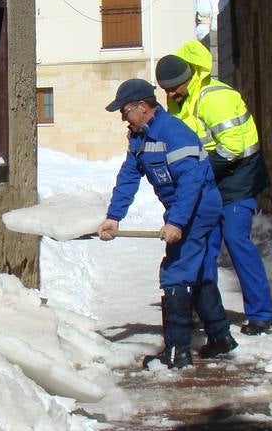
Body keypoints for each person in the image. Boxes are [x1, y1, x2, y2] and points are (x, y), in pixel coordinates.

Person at [97, 78, 237, 368]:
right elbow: (128, 177)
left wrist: (177, 222)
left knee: (175, 273)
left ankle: (177, 352)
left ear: (143, 107)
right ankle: (221, 337)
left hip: (198, 206)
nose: (122, 117)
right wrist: (114, 217)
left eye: (125, 110)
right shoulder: (139, 137)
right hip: (182, 208)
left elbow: (192, 181)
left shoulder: (173, 133)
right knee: (196, 273)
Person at [156, 40, 272, 335]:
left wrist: (197, 173)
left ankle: (261, 314)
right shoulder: (180, 100)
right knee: (204, 246)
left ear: (189, 78)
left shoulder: (214, 98)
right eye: (166, 90)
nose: (170, 94)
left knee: (236, 241)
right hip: (209, 177)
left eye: (174, 88)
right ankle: (208, 313)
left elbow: (233, 147)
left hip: (238, 177)